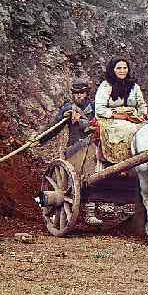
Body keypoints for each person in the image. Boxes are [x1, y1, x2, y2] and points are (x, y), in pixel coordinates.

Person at [38, 77, 103, 227]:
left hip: (96, 148)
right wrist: (39, 139)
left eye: (82, 93)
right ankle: (89, 211)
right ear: (72, 94)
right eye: (76, 93)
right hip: (75, 151)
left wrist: (83, 122)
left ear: (87, 93)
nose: (79, 96)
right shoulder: (68, 109)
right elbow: (54, 127)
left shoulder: (95, 108)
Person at [93, 57, 148, 167]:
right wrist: (119, 116)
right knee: (129, 129)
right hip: (110, 119)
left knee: (147, 129)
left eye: (125, 68)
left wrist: (142, 115)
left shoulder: (134, 87)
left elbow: (141, 104)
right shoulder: (105, 86)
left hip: (133, 117)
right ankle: (123, 164)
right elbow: (99, 108)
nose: (122, 71)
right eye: (119, 68)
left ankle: (145, 160)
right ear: (113, 70)